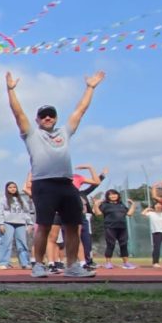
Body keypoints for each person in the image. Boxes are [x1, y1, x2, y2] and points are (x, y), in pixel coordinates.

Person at [6, 70, 105, 278]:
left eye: (51, 115)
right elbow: (18, 114)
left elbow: (80, 111)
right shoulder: (31, 134)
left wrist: (90, 88)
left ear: (56, 117)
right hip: (43, 184)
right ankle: (38, 265)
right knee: (43, 226)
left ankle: (72, 265)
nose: (48, 118)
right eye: (43, 116)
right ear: (38, 119)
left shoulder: (64, 132)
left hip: (67, 185)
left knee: (73, 227)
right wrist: (11, 90)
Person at [94, 189, 136, 269]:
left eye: (115, 194)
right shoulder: (105, 205)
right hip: (110, 227)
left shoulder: (121, 204)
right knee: (111, 244)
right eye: (111, 194)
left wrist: (133, 205)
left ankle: (126, 263)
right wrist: (96, 205)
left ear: (118, 195)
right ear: (108, 196)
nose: (113, 196)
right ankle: (108, 263)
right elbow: (98, 214)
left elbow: (129, 214)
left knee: (124, 244)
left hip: (122, 227)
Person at [0, 181, 33, 270]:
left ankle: (25, 262)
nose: (12, 189)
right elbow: (0, 213)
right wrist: (1, 224)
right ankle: (3, 262)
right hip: (8, 223)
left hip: (21, 223)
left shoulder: (21, 199)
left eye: (14, 187)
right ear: (7, 189)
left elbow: (26, 212)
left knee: (22, 243)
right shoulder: (2, 199)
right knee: (6, 242)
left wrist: (30, 223)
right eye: (10, 187)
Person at [144, 201, 162, 268]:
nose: (158, 206)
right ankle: (155, 262)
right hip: (156, 232)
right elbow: (143, 213)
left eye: (160, 204)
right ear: (154, 206)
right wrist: (148, 208)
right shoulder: (151, 213)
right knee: (157, 248)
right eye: (157, 204)